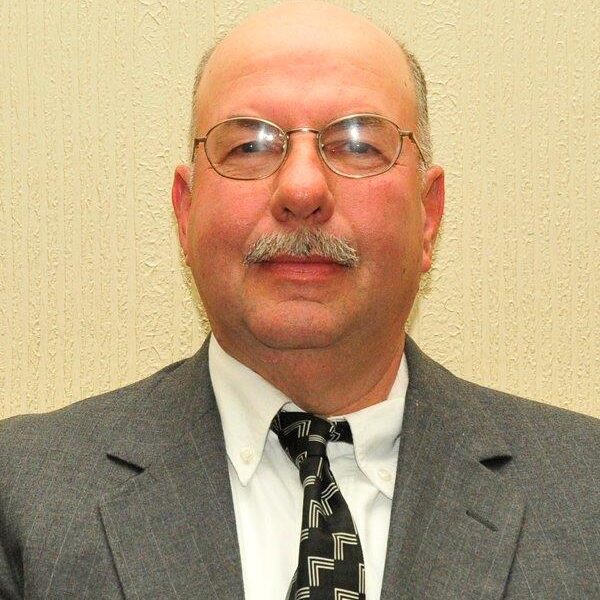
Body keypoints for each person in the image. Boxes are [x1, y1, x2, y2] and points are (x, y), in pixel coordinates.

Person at [0, 2, 598, 599]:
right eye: (250, 146)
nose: (303, 189)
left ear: (429, 217)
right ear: (185, 213)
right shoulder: (22, 493)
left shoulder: (584, 491)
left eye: (358, 144)